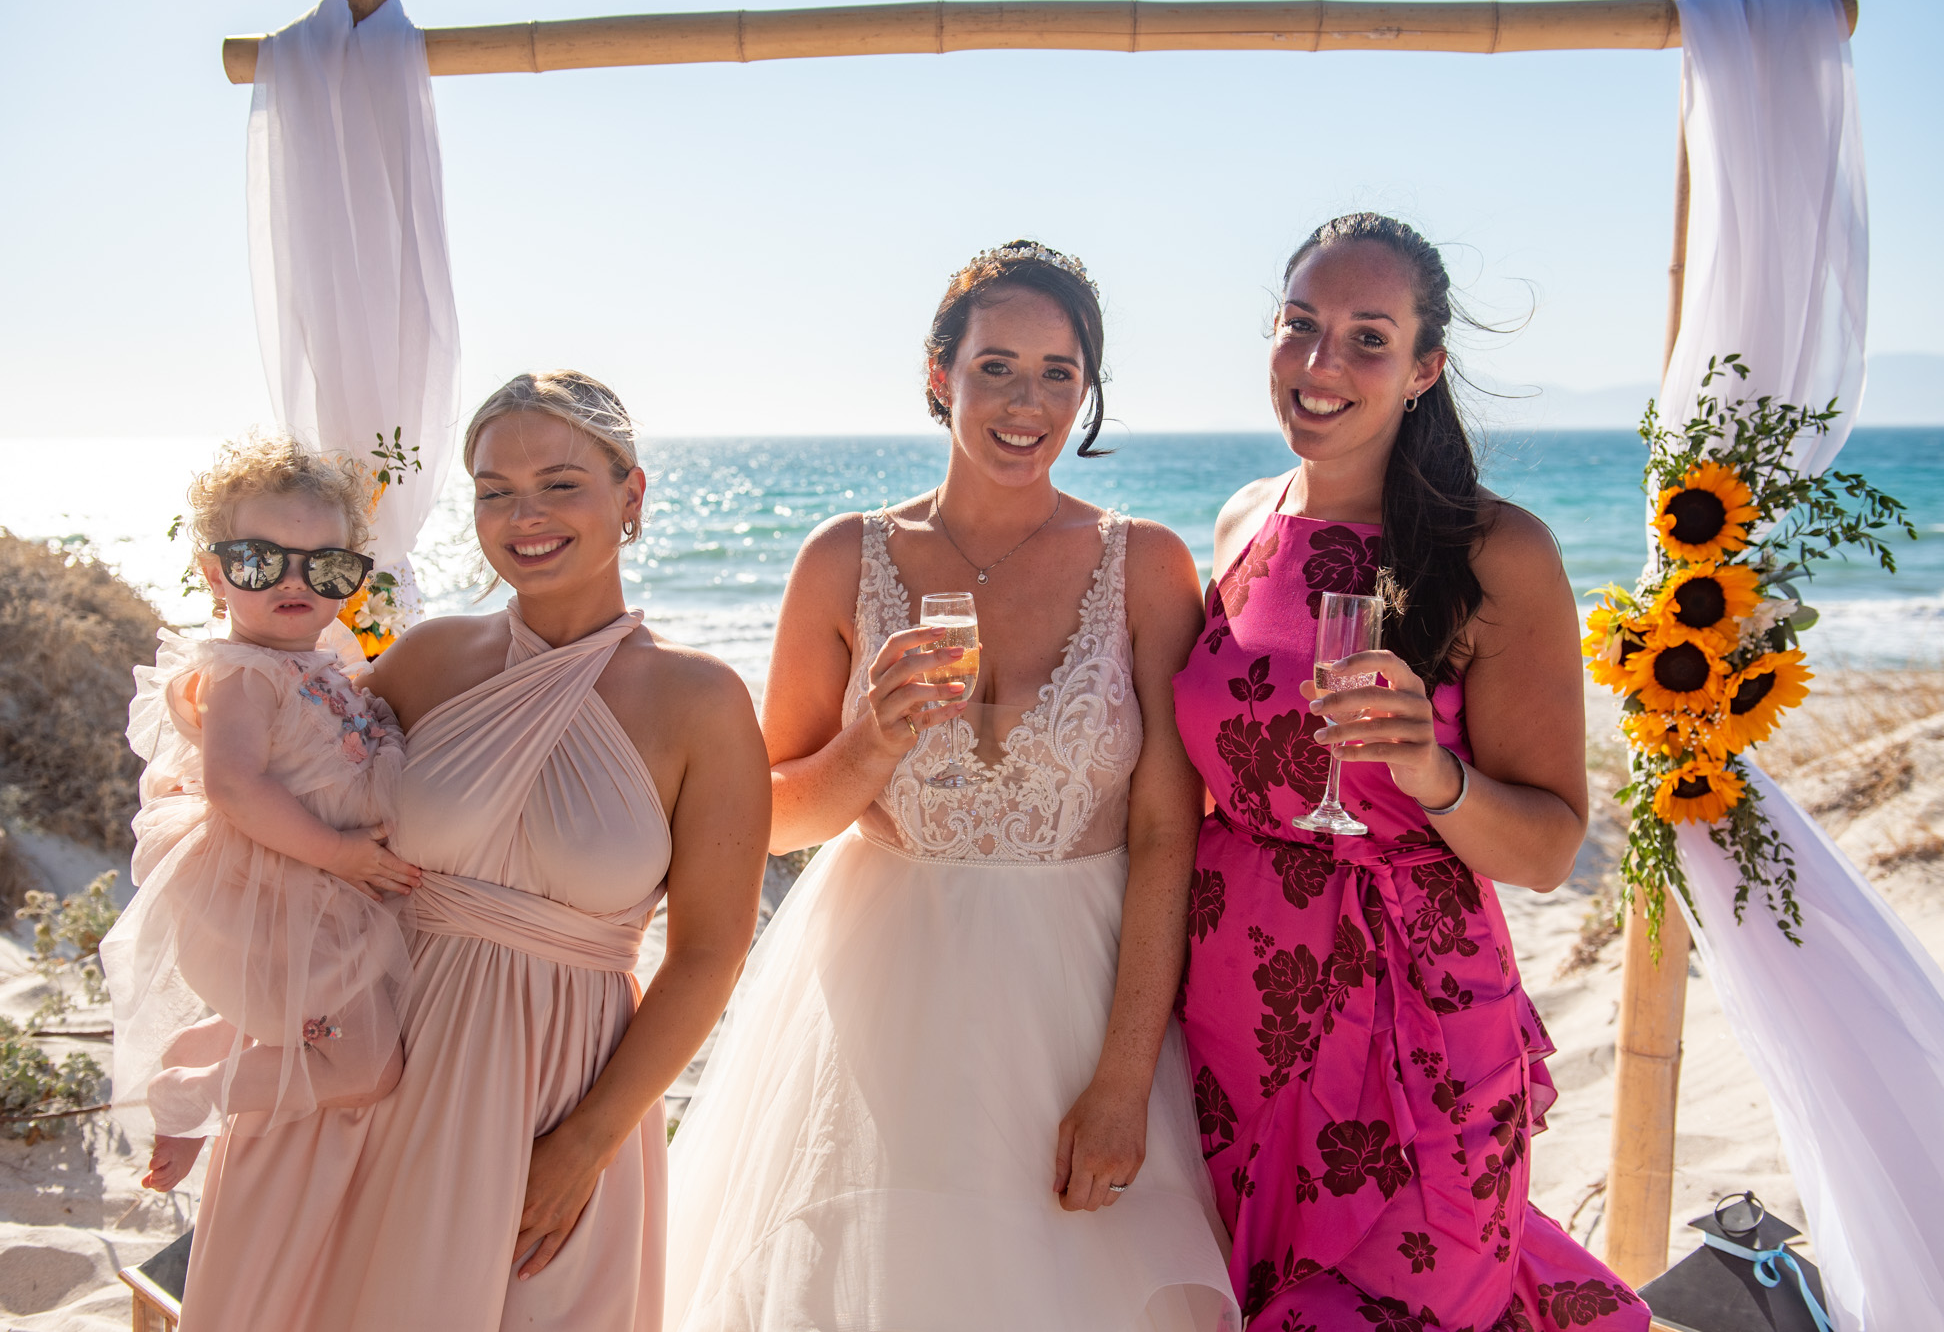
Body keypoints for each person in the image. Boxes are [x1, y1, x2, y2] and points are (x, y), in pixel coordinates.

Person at [665, 241, 1240, 1331]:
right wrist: (869, 745)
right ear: (940, 376)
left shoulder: (1148, 565)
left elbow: (1171, 830)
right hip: (882, 989)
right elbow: (771, 818)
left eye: (1058, 373)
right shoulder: (842, 558)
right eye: (996, 368)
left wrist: (1124, 1080)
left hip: (1078, 994)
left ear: (1087, 388)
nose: (1027, 404)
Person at [1173, 213, 1650, 1330]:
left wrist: (1433, 774)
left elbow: (1548, 846)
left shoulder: (1497, 551)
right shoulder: (1242, 521)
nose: (1320, 362)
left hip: (1414, 1019)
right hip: (1232, 1010)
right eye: (1300, 325)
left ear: (1424, 367)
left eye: (1367, 338)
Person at [291, 370, 769, 1332]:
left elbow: (711, 953)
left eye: (560, 484)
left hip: (566, 1096)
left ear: (631, 495)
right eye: (494, 491)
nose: (524, 517)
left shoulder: (702, 701)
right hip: (390, 1067)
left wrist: (587, 1143)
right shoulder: (426, 660)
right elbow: (308, 828)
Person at [101, 436, 418, 1305]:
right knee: (368, 1066)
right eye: (259, 560)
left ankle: (211, 1044)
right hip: (278, 894)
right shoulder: (241, 673)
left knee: (329, 1028)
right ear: (214, 574)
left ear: (353, 578)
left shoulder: (325, 662)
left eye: (325, 564)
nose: (293, 580)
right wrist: (342, 854)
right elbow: (233, 784)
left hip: (318, 896)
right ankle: (193, 1093)